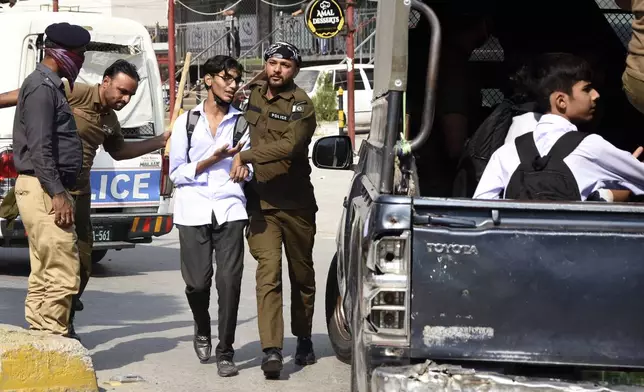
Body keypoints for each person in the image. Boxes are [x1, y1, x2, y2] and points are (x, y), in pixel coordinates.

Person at [0, 59, 172, 341]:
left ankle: (63, 316)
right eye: (120, 91)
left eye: (130, 94)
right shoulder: (75, 92)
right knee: (54, 263)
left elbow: (119, 151)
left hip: (80, 195)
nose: (124, 99)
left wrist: (158, 141)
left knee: (82, 262)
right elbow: (29, 92)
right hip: (52, 189)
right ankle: (55, 327)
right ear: (105, 81)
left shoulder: (110, 121)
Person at [230, 41, 317, 379]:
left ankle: (305, 336)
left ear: (295, 70)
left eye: (285, 65)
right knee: (269, 274)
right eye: (272, 63)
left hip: (296, 205)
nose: (277, 70)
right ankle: (272, 349)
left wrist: (246, 157)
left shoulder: (301, 105)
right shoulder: (252, 95)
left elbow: (291, 146)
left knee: (302, 275)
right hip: (260, 203)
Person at [169, 55, 251, 377]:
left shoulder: (242, 122)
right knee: (197, 284)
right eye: (226, 78)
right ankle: (202, 326)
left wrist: (244, 168)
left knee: (229, 283)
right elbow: (176, 173)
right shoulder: (186, 122)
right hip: (193, 210)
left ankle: (226, 351)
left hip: (231, 208)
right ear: (208, 81)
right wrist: (210, 160)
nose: (233, 85)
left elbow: (251, 166)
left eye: (236, 79)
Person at [474, 52, 644, 200]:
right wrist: (627, 171)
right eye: (587, 89)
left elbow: (482, 205)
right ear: (561, 101)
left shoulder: (506, 153)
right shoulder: (591, 147)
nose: (596, 95)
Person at [11, 22, 89, 338]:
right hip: (44, 189)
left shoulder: (48, 84)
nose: (80, 60)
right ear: (59, 53)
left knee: (44, 270)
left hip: (40, 187)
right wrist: (57, 192)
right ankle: (54, 338)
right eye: (78, 54)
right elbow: (41, 147)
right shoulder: (42, 88)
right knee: (63, 270)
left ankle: (41, 338)